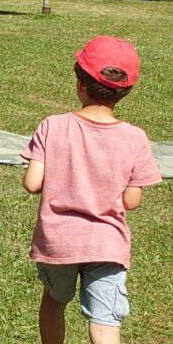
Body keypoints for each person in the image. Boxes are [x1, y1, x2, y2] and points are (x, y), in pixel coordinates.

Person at [21, 36, 162, 344]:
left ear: (80, 83)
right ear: (125, 91)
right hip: (107, 244)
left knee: (55, 301)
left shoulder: (52, 125)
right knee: (104, 322)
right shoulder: (135, 138)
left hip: (58, 241)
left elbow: (32, 183)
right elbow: (132, 201)